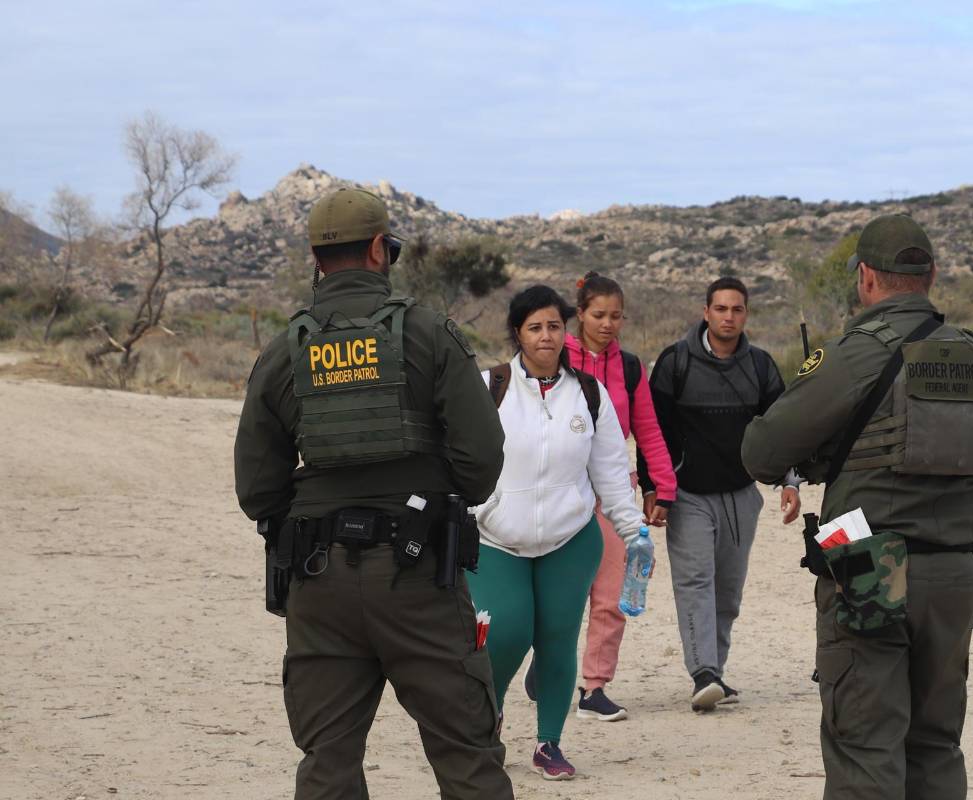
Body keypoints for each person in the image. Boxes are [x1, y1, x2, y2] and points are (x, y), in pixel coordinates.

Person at [234, 187, 513, 800]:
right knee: (467, 755)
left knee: (327, 761)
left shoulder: (283, 352)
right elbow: (481, 463)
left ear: (314, 255)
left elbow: (257, 489)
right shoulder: (430, 335)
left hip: (318, 577)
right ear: (382, 251)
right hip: (419, 579)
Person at [742, 213, 973, 800]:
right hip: (957, 568)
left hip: (865, 563)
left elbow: (761, 452)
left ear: (865, 278)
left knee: (865, 748)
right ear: (931, 275)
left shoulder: (852, 355)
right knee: (937, 744)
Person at [468, 284, 647, 780]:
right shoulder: (488, 387)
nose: (546, 336)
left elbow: (611, 471)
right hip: (497, 538)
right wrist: (468, 511)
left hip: (571, 540)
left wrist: (634, 532)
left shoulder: (590, 395)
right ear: (518, 334)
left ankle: (549, 743)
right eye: (534, 327)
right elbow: (458, 459)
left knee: (556, 638)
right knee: (506, 631)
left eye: (553, 325)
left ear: (564, 331)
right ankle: (490, 718)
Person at [646, 276, 800, 712]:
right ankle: (704, 674)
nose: (728, 317)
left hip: (741, 494)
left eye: (736, 309)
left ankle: (715, 672)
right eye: (721, 309)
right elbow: (652, 430)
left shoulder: (761, 366)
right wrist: (653, 488)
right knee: (695, 582)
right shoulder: (676, 362)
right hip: (688, 494)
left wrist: (789, 482)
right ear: (706, 312)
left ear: (745, 314)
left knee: (728, 592)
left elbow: (782, 429)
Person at [559, 271, 677, 721]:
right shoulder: (554, 357)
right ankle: (549, 665)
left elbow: (647, 429)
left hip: (613, 495)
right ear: (580, 314)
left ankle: (594, 688)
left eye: (616, 316)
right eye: (599, 315)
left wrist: (661, 487)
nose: (608, 324)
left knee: (611, 594)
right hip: (561, 490)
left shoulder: (629, 367)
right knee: (560, 592)